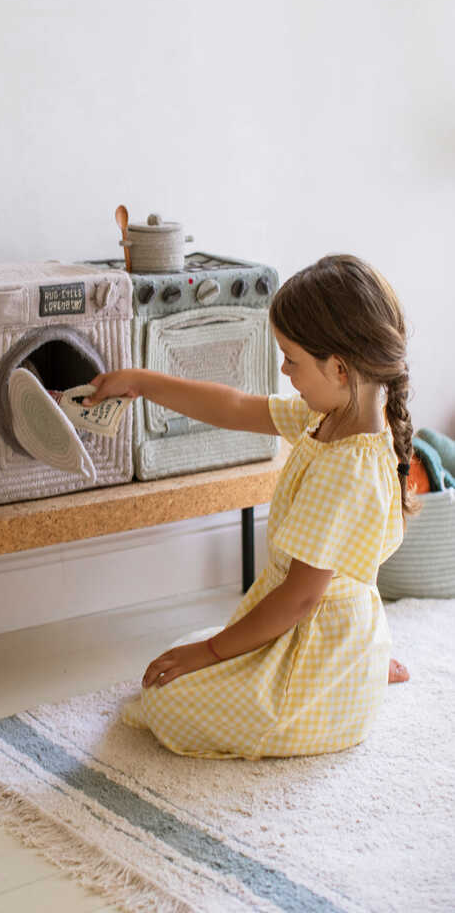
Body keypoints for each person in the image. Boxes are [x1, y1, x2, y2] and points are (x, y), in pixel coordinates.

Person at [82, 254, 415, 759]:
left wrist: (208, 654)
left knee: (165, 700)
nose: (283, 370)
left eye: (292, 359)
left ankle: (344, 685)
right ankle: (358, 664)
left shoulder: (346, 466)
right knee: (192, 655)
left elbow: (300, 599)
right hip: (310, 621)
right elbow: (235, 406)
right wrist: (142, 381)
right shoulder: (334, 413)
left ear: (340, 368)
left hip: (307, 635)